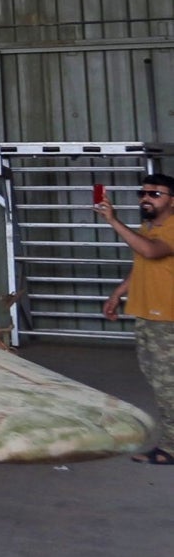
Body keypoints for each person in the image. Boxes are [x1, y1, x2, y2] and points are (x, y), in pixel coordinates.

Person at [97, 171, 174, 464]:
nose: (146, 198)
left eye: (155, 194)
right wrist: (118, 293)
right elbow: (144, 263)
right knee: (159, 382)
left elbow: (152, 252)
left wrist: (114, 221)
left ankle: (171, 447)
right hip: (148, 317)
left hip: (167, 320)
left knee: (169, 387)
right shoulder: (149, 226)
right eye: (142, 193)